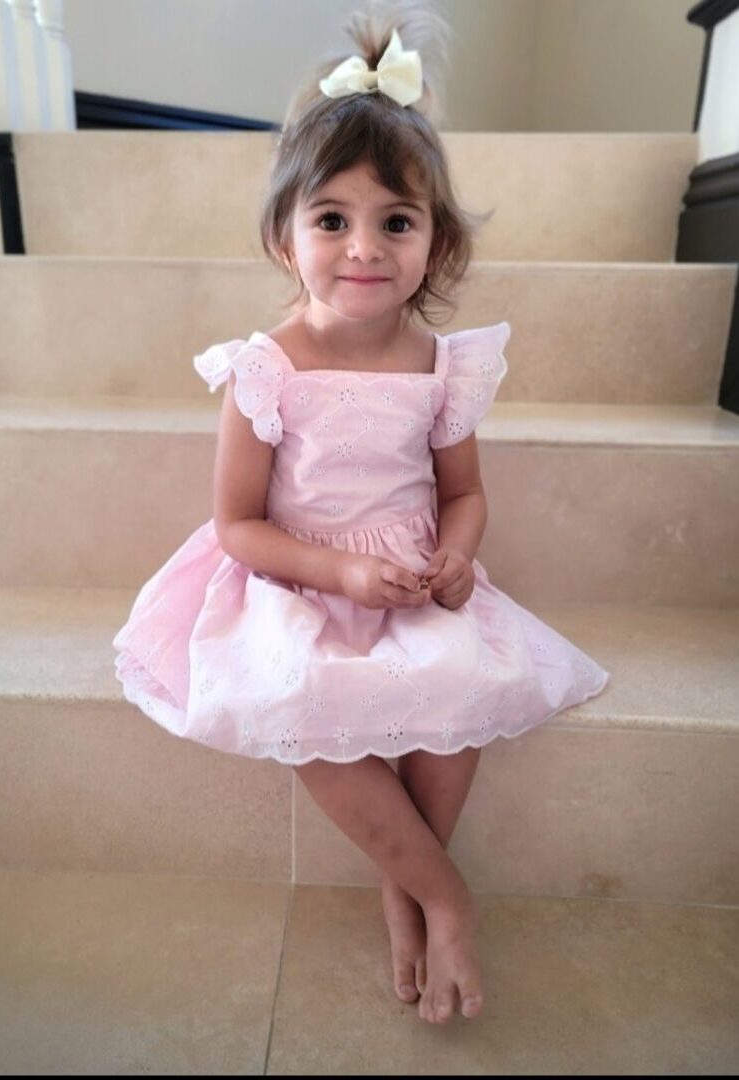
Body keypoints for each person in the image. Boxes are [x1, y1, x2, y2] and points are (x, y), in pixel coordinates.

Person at [112, 1, 611, 1027]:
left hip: (410, 574)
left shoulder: (441, 368)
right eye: (331, 219)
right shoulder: (268, 368)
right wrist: (335, 575)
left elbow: (464, 492)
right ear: (284, 238)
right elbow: (237, 524)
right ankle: (446, 896)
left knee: (455, 691)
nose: (363, 248)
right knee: (316, 715)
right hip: (295, 579)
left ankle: (405, 888)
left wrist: (460, 556)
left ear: (439, 241)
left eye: (397, 220)